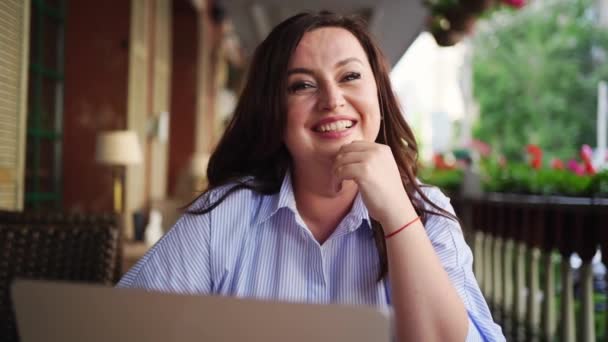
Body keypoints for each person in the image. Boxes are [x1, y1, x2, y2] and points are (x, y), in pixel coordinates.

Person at [118, 11, 504, 341]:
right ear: (274, 112)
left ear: (379, 96)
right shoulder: (225, 212)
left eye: (350, 76)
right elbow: (123, 327)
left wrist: (398, 215)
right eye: (302, 85)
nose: (332, 99)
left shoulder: (427, 211)